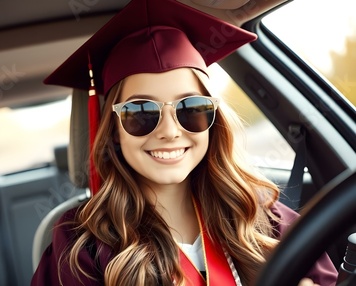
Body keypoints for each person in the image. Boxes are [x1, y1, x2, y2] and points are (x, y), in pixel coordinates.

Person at [32, 0, 338, 285]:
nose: (169, 131)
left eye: (190, 109)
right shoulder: (82, 246)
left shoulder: (258, 215)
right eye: (141, 112)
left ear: (213, 119)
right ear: (114, 130)